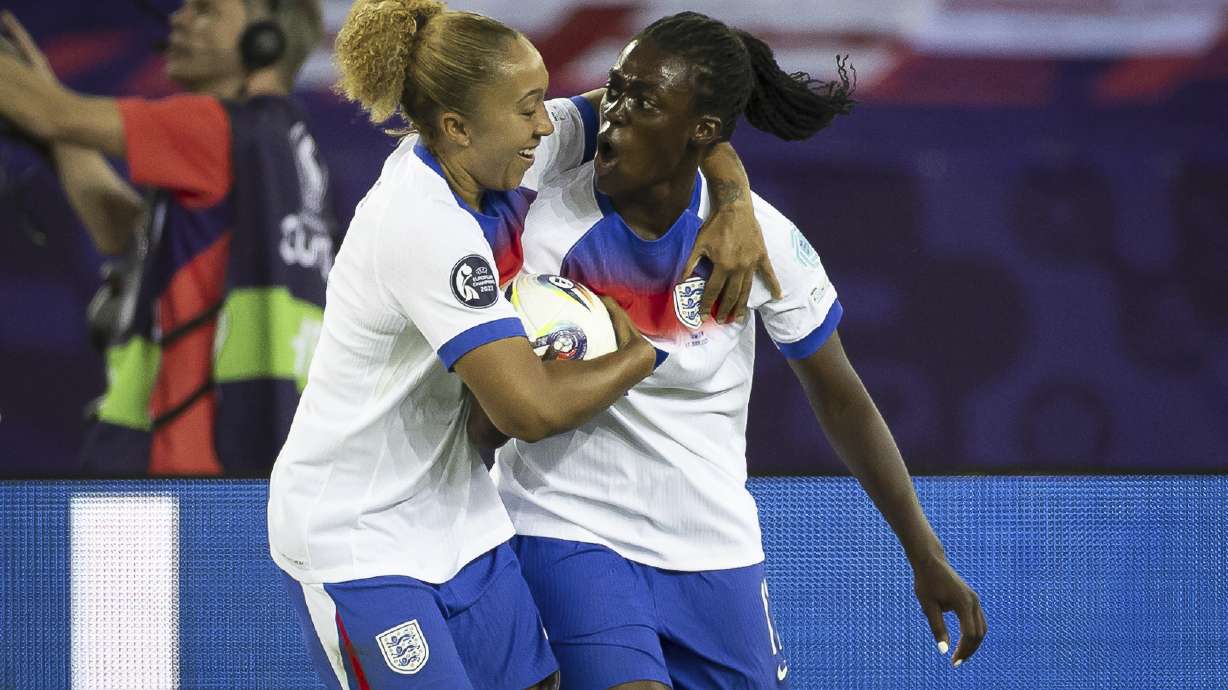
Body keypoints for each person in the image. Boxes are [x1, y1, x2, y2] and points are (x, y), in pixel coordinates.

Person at [475, 12, 987, 689]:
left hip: (715, 551)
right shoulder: (539, 214)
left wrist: (925, 552)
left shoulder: (760, 241)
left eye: (644, 102)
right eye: (616, 90)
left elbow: (841, 398)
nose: (615, 117)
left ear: (704, 132)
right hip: (568, 528)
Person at [265, 1, 768, 688]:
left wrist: (735, 201)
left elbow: (667, 117)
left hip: (457, 509)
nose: (547, 122)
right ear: (456, 127)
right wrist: (650, 349)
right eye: (529, 106)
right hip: (357, 534)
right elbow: (525, 411)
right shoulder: (422, 225)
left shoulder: (507, 154)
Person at [0, 1, 338, 476]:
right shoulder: (285, 147)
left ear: (265, 39)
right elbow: (126, 233)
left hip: (173, 456)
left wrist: (41, 102)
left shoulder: (214, 126)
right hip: (242, 459)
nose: (179, 19)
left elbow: (51, 113)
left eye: (205, 11)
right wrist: (53, 124)